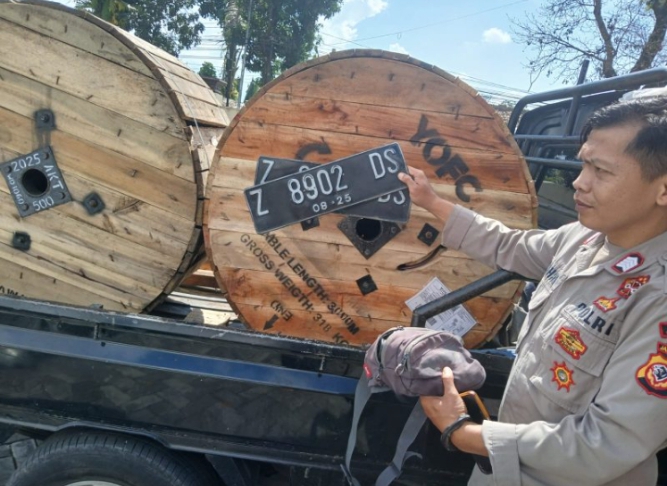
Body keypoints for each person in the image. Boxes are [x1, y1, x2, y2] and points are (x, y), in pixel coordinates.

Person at [397, 96, 667, 485]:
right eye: (583, 164)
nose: (579, 181)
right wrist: (432, 201)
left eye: (601, 170)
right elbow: (510, 245)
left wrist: (463, 433)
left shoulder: (657, 297)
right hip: (505, 467)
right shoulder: (585, 238)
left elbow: (607, 443)